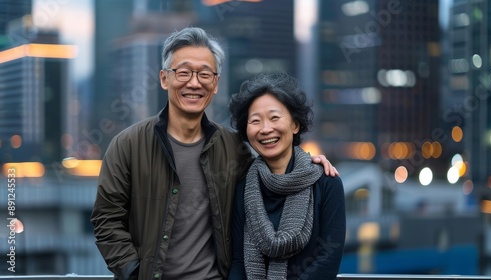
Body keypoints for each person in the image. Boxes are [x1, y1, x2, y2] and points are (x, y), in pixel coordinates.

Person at [90, 27, 338, 280]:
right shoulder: (128, 144)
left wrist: (308, 165)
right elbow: (106, 219)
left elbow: (272, 175)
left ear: (216, 83)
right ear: (165, 78)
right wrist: (133, 272)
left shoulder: (232, 147)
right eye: (184, 72)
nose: (194, 83)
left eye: (204, 74)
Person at [227, 73, 346, 280]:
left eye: (274, 118)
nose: (266, 129)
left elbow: (328, 259)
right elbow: (238, 262)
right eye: (255, 121)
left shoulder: (326, 183)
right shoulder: (244, 188)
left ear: (295, 125)